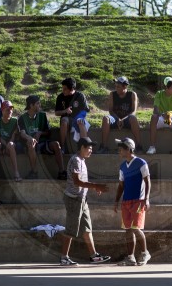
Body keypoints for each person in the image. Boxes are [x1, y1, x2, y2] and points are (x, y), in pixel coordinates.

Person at [60, 137, 111, 266]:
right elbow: (77, 182)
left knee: (87, 228)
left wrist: (93, 188)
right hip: (73, 199)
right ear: (82, 147)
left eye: (91, 149)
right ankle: (64, 257)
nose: (90, 151)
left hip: (82, 199)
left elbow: (81, 182)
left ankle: (94, 256)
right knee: (71, 229)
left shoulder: (82, 160)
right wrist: (95, 186)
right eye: (89, 148)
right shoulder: (76, 160)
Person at [114, 137, 151, 266]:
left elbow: (147, 181)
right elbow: (121, 185)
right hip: (126, 202)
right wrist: (116, 201)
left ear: (129, 149)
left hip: (138, 201)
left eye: (121, 148)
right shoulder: (122, 166)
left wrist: (146, 198)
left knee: (136, 228)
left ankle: (145, 253)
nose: (119, 151)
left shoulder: (141, 163)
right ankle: (130, 257)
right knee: (128, 230)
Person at [18, 95, 67, 180]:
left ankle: (62, 172)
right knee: (31, 144)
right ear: (31, 105)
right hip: (30, 145)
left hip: (43, 143)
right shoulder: (22, 118)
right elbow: (22, 134)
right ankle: (34, 172)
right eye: (37, 103)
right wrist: (30, 138)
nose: (40, 105)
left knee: (56, 144)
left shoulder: (42, 116)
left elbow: (48, 132)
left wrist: (40, 133)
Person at [96, 76, 143, 154]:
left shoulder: (132, 94)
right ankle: (103, 146)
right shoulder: (112, 94)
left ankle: (139, 146)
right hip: (115, 119)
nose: (116, 88)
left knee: (133, 118)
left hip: (127, 119)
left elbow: (133, 111)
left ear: (125, 86)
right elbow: (110, 110)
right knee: (105, 118)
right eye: (116, 86)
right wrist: (117, 119)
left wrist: (123, 119)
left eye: (118, 86)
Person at [146, 77, 172, 157]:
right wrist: (163, 114)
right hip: (162, 118)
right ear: (167, 88)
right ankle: (152, 147)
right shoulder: (159, 93)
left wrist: (171, 114)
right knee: (154, 117)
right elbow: (155, 110)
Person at [54, 77, 90, 153]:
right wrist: (65, 111)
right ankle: (62, 147)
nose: (63, 91)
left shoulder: (80, 96)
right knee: (64, 120)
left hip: (78, 118)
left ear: (71, 88)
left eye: (65, 89)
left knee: (81, 122)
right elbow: (56, 113)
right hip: (67, 119)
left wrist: (78, 118)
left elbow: (85, 111)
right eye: (62, 88)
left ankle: (85, 147)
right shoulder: (60, 97)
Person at [0, 100, 21, 182]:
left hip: (11, 145)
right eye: (7, 109)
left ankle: (16, 172)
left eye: (11, 109)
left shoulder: (15, 121)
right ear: (2, 111)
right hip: (2, 144)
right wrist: (5, 146)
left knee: (11, 144)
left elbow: (13, 136)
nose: (10, 111)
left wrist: (7, 147)